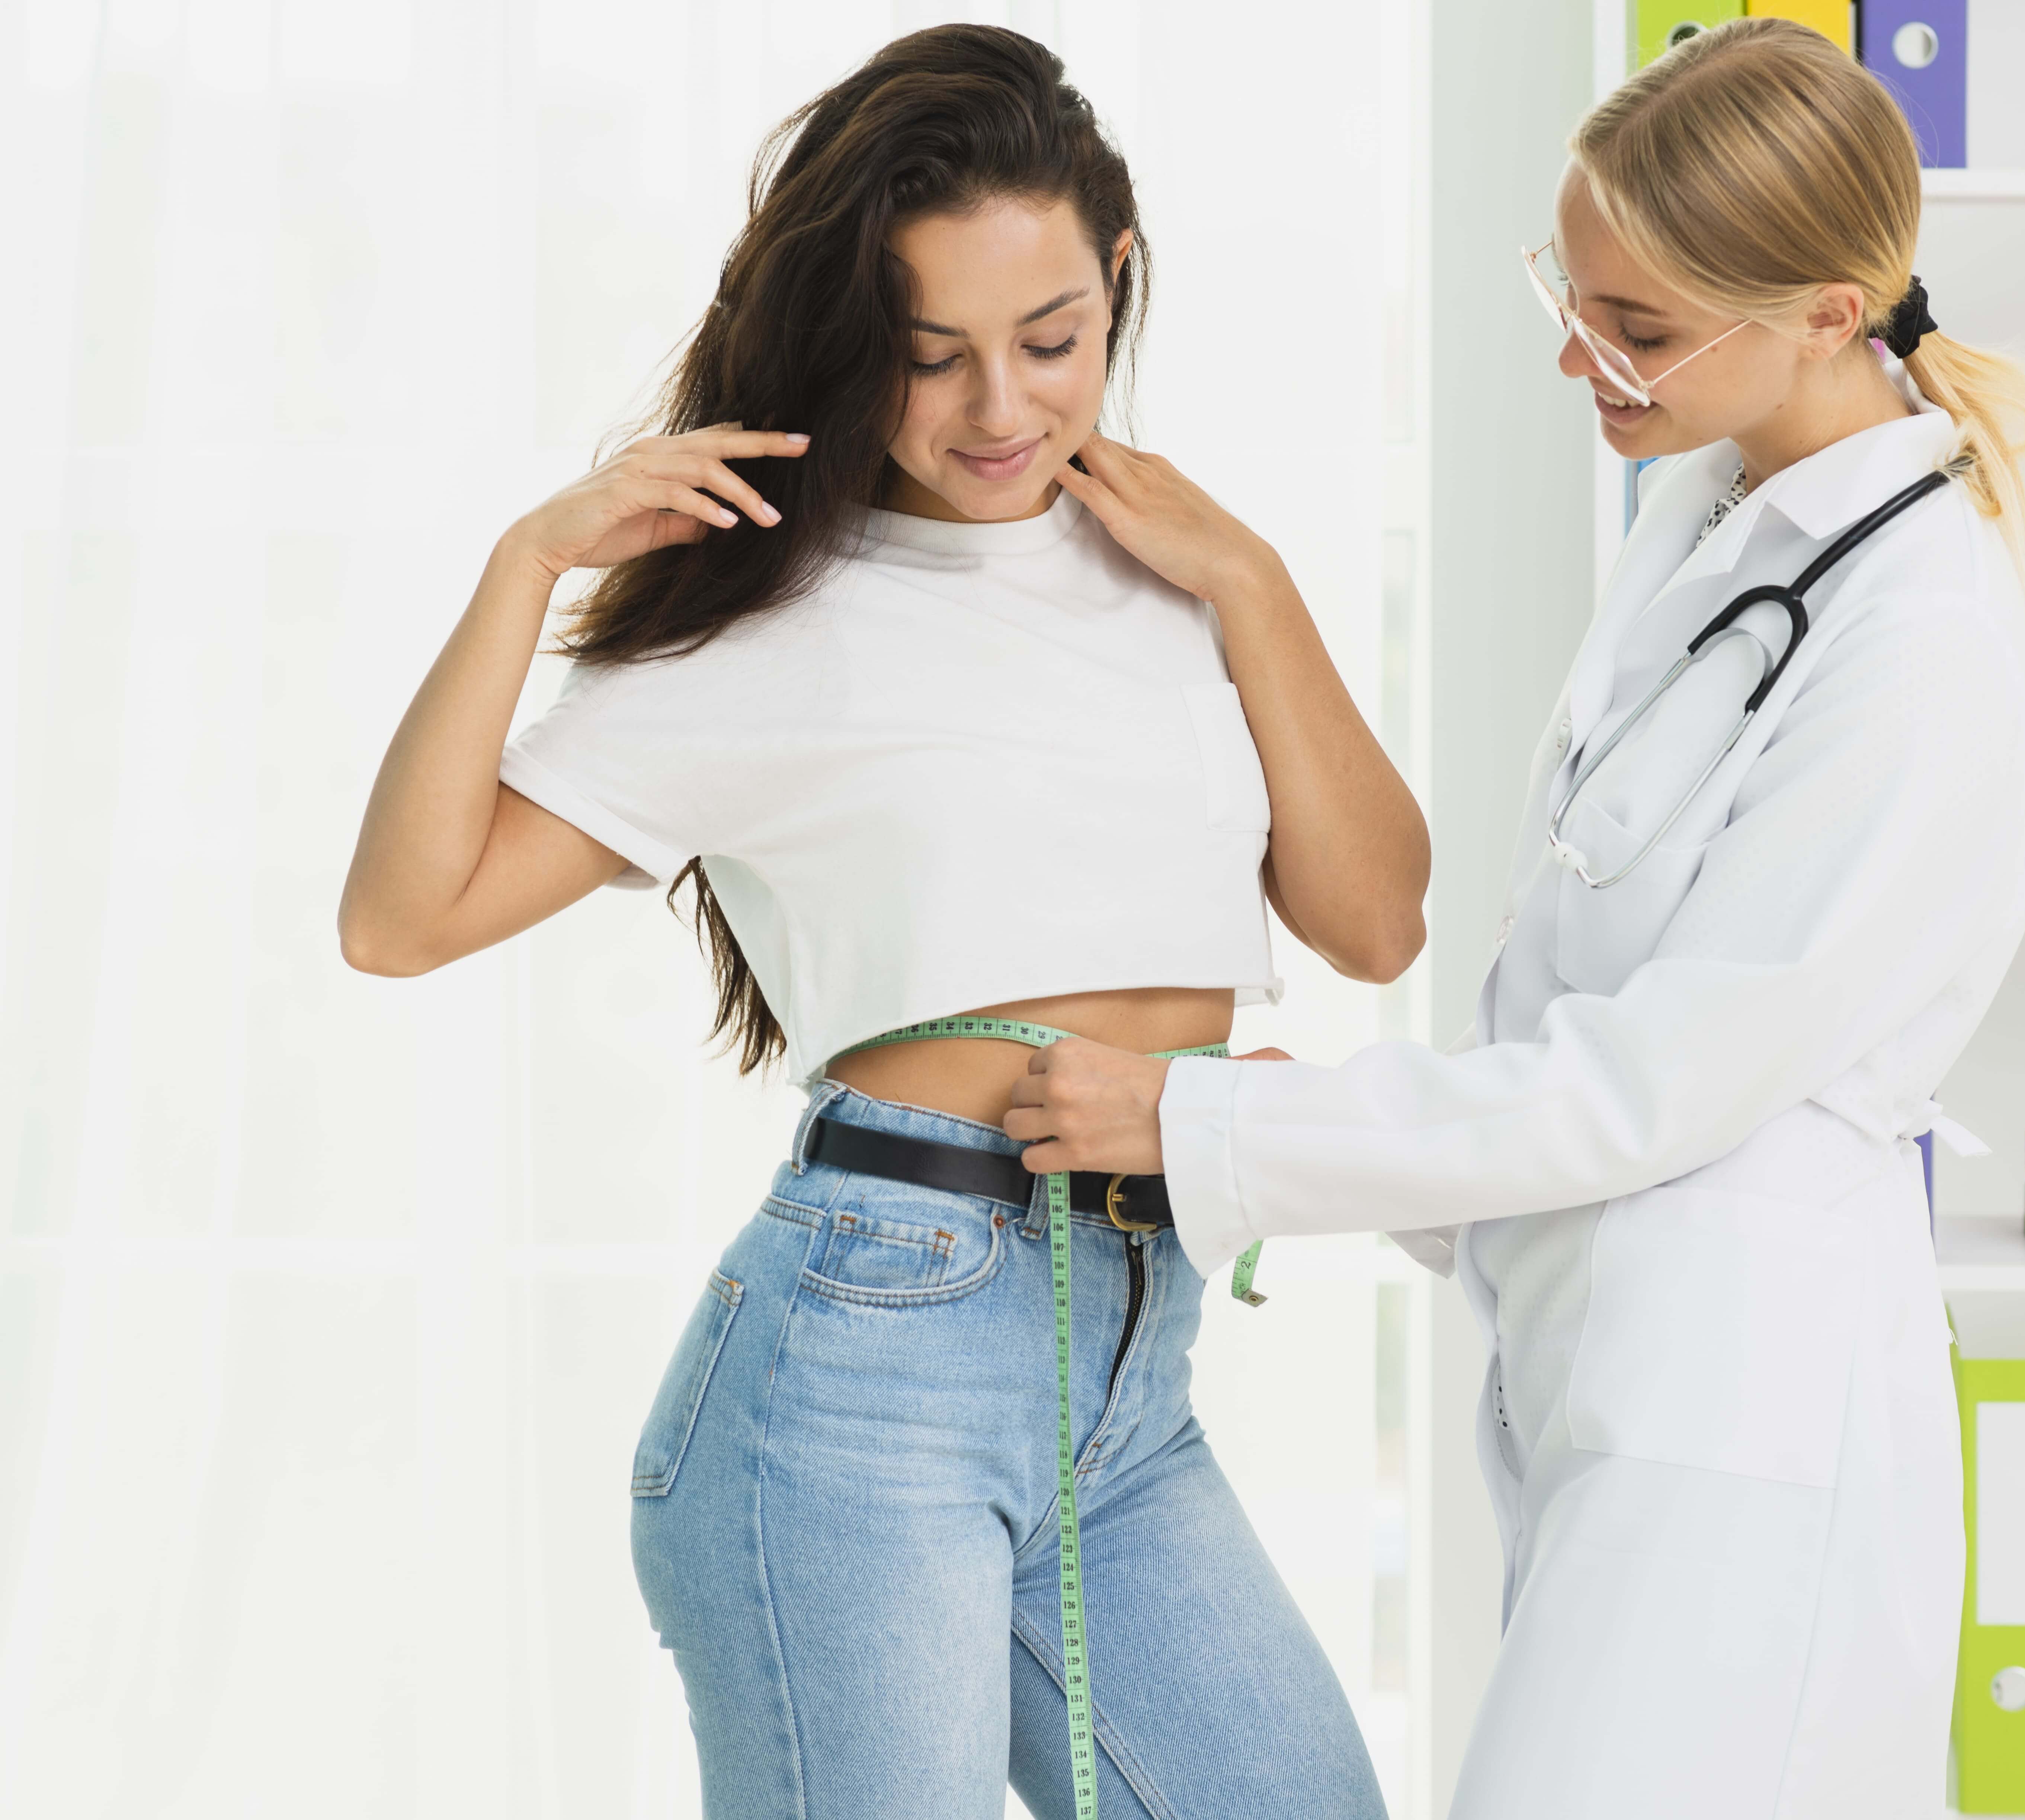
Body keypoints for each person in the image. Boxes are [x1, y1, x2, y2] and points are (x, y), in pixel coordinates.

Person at [337, 25, 1418, 1820]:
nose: (1000, 410)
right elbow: (400, 919)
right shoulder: (780, 617)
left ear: (1120, 281)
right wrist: (526, 567)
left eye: (1052, 341)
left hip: (1131, 1373)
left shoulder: (1184, 568)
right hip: (866, 1370)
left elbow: (1375, 923)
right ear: (858, 344)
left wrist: (1256, 585)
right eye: (931, 359)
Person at [1006, 19, 2025, 1818]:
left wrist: (1218, 1128)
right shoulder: (1707, 515)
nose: (1582, 356)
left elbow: (1656, 1081)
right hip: (1617, 1379)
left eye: (1637, 325)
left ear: (1827, 311)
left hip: (1746, 1431)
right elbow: (1578, 996)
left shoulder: (1925, 639)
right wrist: (1321, 1131)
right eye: (1568, 296)